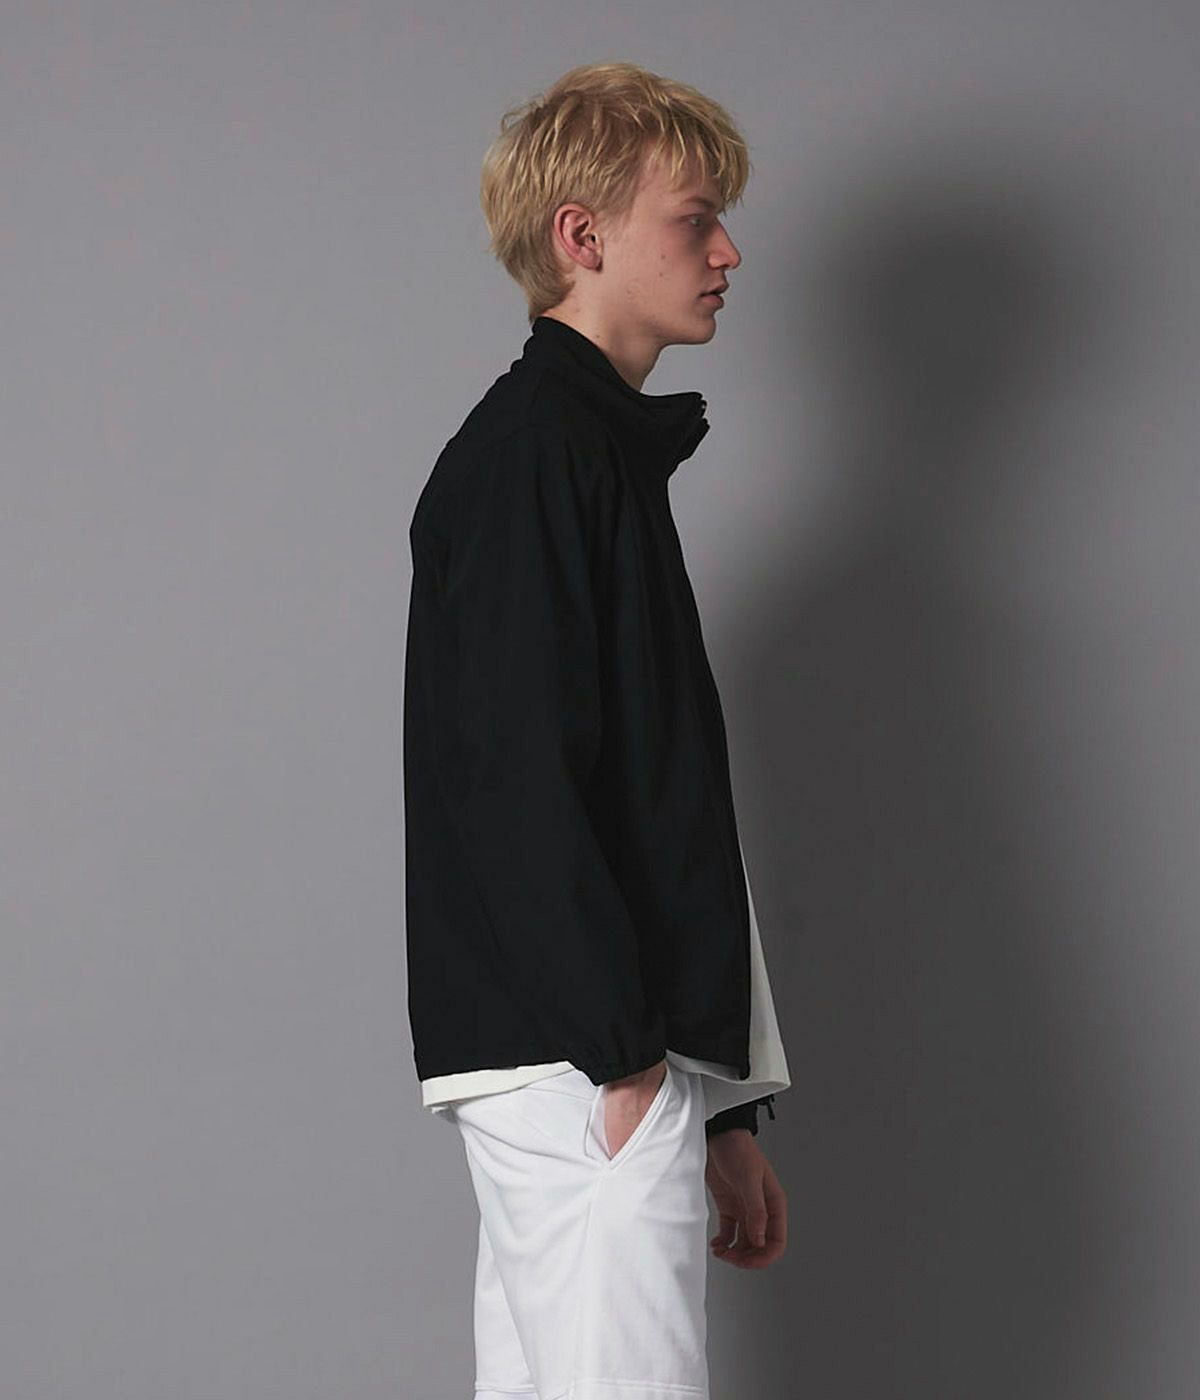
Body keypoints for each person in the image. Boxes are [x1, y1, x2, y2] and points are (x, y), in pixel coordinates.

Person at [403, 61, 790, 1400]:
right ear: (584, 236)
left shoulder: (585, 455)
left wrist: (720, 1108)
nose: (727, 252)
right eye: (696, 219)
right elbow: (514, 782)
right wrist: (628, 1063)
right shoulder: (537, 461)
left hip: (591, 1057)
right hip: (584, 1062)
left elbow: (649, 797)